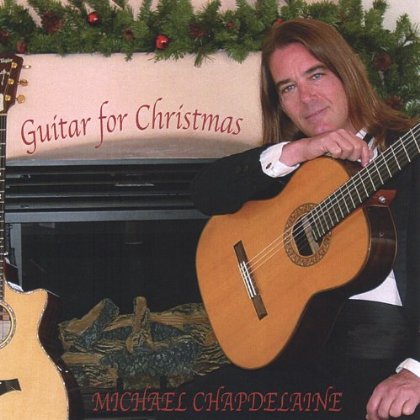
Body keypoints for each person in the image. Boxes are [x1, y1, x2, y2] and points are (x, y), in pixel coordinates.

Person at [184, 18, 420, 420]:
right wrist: (298, 151)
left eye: (316, 75)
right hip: (299, 357)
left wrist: (415, 372)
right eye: (288, 87)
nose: (307, 98)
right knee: (185, 406)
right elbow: (205, 191)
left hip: (388, 360)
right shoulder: (291, 167)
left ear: (347, 74)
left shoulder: (407, 153)